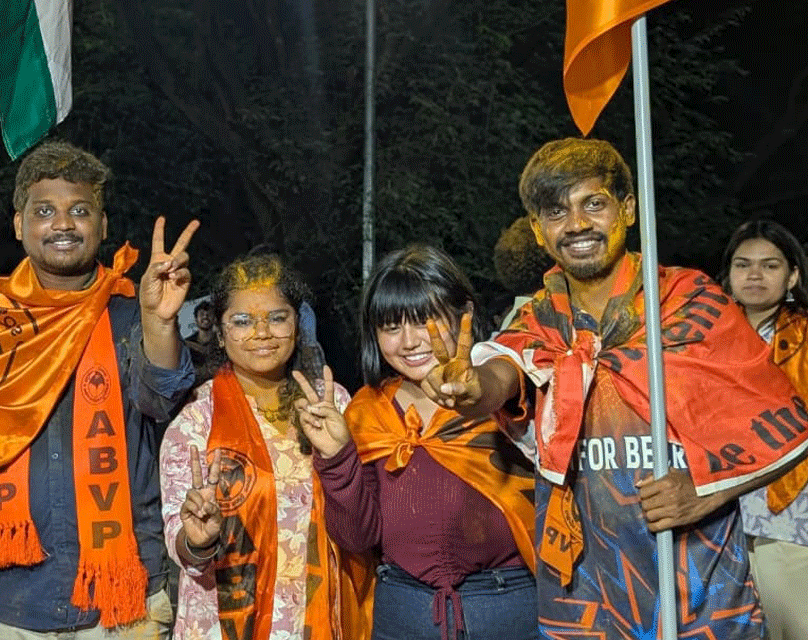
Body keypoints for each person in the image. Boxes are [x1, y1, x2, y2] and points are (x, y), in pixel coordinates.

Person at [422, 137, 808, 638]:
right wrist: (473, 389)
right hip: (584, 592)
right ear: (538, 230)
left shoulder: (687, 301)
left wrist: (705, 492)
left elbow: (788, 424)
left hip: (699, 588)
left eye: (594, 204)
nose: (577, 224)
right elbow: (506, 370)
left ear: (627, 209)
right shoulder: (540, 318)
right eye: (557, 212)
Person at [0, 141, 198, 639]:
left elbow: (161, 398)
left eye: (80, 210)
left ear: (103, 226)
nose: (63, 224)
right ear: (19, 224)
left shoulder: (133, 315)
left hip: (124, 598)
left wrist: (159, 321)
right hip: (16, 596)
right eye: (45, 211)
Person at [297, 244, 536, 640]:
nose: (409, 342)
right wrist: (337, 456)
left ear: (464, 314)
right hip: (402, 612)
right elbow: (358, 538)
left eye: (425, 320)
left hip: (506, 608)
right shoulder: (366, 412)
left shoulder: (503, 394)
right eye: (391, 327)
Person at [160, 253, 367, 640]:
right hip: (223, 625)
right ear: (220, 333)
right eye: (241, 321)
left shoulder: (335, 405)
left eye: (277, 317)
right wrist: (198, 541)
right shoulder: (196, 422)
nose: (262, 332)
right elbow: (183, 544)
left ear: (297, 324)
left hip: (315, 621)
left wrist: (339, 457)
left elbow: (365, 524)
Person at [720, 220, 808, 640]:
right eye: (743, 264)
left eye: (770, 265)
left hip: (789, 518)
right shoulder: (701, 341)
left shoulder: (805, 337)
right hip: (718, 521)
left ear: (792, 275)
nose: (754, 275)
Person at [183, 300, 215, 375]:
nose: (205, 317)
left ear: (214, 319)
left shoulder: (222, 340)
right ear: (196, 320)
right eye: (201, 314)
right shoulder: (186, 344)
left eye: (209, 314)